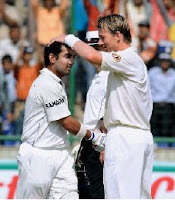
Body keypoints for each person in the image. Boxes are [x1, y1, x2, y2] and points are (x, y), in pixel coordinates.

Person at [51, 13, 154, 199]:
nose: (101, 42)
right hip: (132, 137)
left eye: (103, 37)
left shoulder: (127, 58)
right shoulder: (126, 65)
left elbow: (92, 55)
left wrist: (68, 38)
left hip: (126, 139)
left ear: (118, 36)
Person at [15, 41, 106, 199]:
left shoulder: (57, 83)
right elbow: (67, 122)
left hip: (60, 155)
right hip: (38, 155)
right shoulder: (46, 83)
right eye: (67, 56)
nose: (71, 62)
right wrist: (94, 136)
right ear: (52, 58)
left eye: (73, 57)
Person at [76, 31, 109, 199]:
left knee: (98, 192)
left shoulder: (108, 77)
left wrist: (104, 147)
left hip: (100, 143)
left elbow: (107, 115)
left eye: (95, 49)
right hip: (91, 142)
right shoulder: (98, 76)